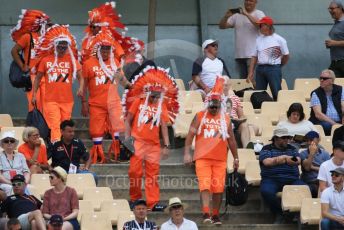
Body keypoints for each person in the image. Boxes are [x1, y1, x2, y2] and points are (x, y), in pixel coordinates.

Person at [184, 77, 239, 225]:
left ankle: (215, 215)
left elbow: (232, 140)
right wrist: (187, 153)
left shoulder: (226, 119)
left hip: (220, 158)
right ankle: (206, 213)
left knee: (218, 189)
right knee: (205, 186)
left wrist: (236, 158)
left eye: (216, 107)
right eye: (211, 106)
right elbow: (190, 136)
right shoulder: (200, 116)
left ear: (220, 105)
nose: (214, 109)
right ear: (207, 105)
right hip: (202, 157)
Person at [124, 67, 179, 211]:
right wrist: (127, 138)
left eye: (158, 94)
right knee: (134, 172)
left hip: (154, 145)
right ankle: (134, 199)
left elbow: (164, 127)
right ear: (149, 92)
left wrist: (166, 146)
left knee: (152, 175)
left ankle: (153, 202)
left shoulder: (162, 106)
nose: (155, 97)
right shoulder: (139, 102)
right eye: (153, 94)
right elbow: (128, 119)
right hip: (137, 142)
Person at [81, 29, 131, 163]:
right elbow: (83, 86)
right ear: (98, 48)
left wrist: (133, 87)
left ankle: (117, 153)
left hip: (114, 102)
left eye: (108, 49)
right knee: (96, 131)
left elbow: (123, 80)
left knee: (118, 128)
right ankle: (98, 156)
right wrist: (84, 103)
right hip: (96, 103)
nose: (105, 52)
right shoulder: (88, 63)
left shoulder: (115, 62)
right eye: (103, 49)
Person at [32, 25, 84, 142]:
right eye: (60, 47)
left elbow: (81, 77)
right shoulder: (46, 60)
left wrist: (80, 88)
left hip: (67, 100)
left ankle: (65, 149)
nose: (62, 49)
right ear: (55, 46)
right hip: (50, 100)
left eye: (64, 47)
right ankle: (56, 148)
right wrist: (34, 94)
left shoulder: (72, 60)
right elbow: (37, 78)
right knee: (54, 125)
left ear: (67, 47)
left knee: (66, 126)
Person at [259, 128, 305, 224]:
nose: (286, 140)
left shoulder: (292, 148)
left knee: (306, 189)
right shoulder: (267, 148)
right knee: (266, 191)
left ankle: (295, 214)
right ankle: (280, 213)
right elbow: (267, 162)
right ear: (275, 139)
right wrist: (283, 159)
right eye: (283, 138)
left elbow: (297, 160)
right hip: (272, 179)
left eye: (287, 137)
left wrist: (282, 158)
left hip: (292, 179)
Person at [10, 9, 51, 112]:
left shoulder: (50, 38)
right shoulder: (28, 37)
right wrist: (22, 66)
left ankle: (47, 128)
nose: (49, 26)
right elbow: (14, 51)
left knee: (48, 107)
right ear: (40, 25)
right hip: (32, 77)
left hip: (47, 77)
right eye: (47, 24)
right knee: (34, 105)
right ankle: (35, 127)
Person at [219, 0, 265, 79]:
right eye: (246, 0)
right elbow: (222, 26)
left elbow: (260, 26)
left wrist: (246, 14)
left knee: (253, 82)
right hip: (239, 56)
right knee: (243, 84)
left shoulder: (259, 13)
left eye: (251, 1)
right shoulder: (237, 15)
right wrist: (226, 17)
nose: (248, 2)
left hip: (253, 56)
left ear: (256, 2)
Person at [247, 16, 289, 101]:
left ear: (268, 26)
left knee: (277, 92)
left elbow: (286, 55)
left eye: (261, 25)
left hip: (273, 68)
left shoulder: (279, 39)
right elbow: (254, 56)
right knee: (259, 93)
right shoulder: (258, 39)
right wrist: (251, 72)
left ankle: (279, 109)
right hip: (260, 68)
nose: (260, 28)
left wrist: (278, 66)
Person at [224, 76, 258, 148]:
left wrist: (240, 119)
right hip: (222, 122)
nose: (224, 87)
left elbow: (241, 115)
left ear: (229, 86)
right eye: (223, 85)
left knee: (245, 125)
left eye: (226, 85)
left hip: (235, 122)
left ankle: (246, 149)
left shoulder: (235, 98)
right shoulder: (215, 97)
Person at [309, 69, 344, 136]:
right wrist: (334, 124)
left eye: (324, 78)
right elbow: (318, 114)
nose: (321, 80)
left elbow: (343, 107)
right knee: (327, 125)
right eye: (320, 78)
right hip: (322, 121)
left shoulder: (341, 90)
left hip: (339, 120)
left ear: (332, 81)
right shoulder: (315, 93)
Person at [300, 131, 331, 198]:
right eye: (307, 140)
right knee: (310, 189)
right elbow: (307, 168)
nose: (309, 143)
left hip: (322, 181)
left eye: (311, 140)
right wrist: (311, 153)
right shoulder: (303, 153)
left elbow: (329, 171)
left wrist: (313, 167)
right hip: (309, 182)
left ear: (318, 140)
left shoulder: (325, 154)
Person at [0, 131, 30, 195]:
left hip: (21, 182)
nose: (9, 143)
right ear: (2, 144)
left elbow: (26, 172)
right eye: (6, 141)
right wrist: (12, 183)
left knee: (29, 188)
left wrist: (24, 183)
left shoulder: (21, 156)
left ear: (15, 144)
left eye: (12, 141)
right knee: (10, 188)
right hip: (6, 183)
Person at [326, 0, 344, 78]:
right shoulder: (337, 23)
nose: (330, 11)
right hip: (335, 62)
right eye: (329, 9)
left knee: (327, 81)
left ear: (340, 9)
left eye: (332, 8)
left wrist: (334, 43)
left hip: (342, 61)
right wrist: (330, 45)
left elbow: (336, 42)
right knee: (327, 81)